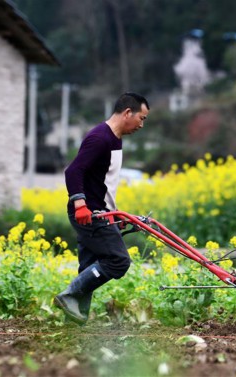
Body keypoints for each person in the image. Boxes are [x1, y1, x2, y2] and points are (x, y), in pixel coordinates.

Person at [54, 92, 150, 324]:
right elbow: (73, 171)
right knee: (118, 261)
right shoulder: (100, 138)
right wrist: (80, 204)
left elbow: (101, 182)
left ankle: (75, 320)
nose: (141, 124)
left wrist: (117, 215)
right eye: (142, 118)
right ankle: (68, 296)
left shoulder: (115, 138)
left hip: (102, 212)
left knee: (88, 265)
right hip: (89, 213)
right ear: (128, 112)